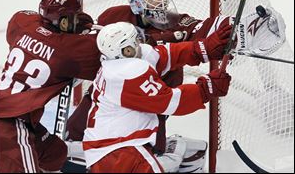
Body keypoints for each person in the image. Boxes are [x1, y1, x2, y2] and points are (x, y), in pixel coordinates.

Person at [82, 21, 232, 173]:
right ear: (127, 50)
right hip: (120, 152)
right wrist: (207, 88)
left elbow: (166, 55)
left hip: (106, 152)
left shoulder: (117, 63)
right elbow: (170, 102)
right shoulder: (127, 73)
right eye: (136, 41)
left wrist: (204, 48)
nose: (140, 43)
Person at [0, 0, 101, 173]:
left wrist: (68, 27)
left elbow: (28, 21)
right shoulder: (68, 51)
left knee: (55, 154)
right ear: (62, 22)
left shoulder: (23, 24)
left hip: (7, 108)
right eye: (72, 17)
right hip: (10, 124)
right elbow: (108, 53)